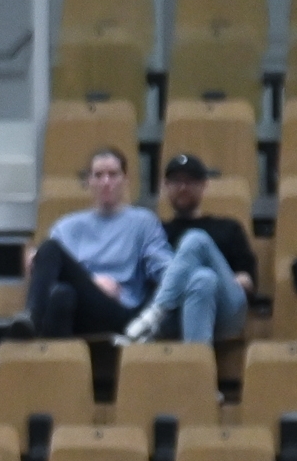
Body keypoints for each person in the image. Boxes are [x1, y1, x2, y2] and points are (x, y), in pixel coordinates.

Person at [17, 148, 172, 340]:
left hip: (120, 307)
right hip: (78, 309)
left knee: (50, 249)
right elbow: (47, 271)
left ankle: (32, 319)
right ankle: (42, 339)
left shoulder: (143, 222)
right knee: (60, 291)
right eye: (98, 175)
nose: (106, 182)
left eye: (113, 174)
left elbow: (165, 269)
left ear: (125, 180)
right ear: (89, 181)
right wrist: (93, 282)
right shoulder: (67, 226)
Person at [125, 153, 257, 346]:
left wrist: (216, 279)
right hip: (175, 315)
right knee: (203, 279)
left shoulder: (228, 227)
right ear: (165, 186)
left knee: (196, 240)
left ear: (204, 185)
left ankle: (155, 313)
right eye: (176, 181)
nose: (183, 188)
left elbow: (247, 281)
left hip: (225, 309)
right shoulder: (157, 232)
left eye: (190, 181)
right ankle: (196, 361)